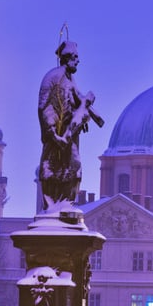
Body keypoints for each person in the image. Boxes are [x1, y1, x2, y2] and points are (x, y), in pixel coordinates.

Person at [38, 39, 103, 211]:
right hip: (57, 134)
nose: (78, 61)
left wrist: (85, 113)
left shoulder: (69, 79)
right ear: (67, 58)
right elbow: (44, 107)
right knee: (51, 170)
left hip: (70, 134)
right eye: (75, 57)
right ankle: (52, 206)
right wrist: (53, 134)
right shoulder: (53, 78)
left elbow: (77, 100)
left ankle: (67, 204)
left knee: (74, 168)